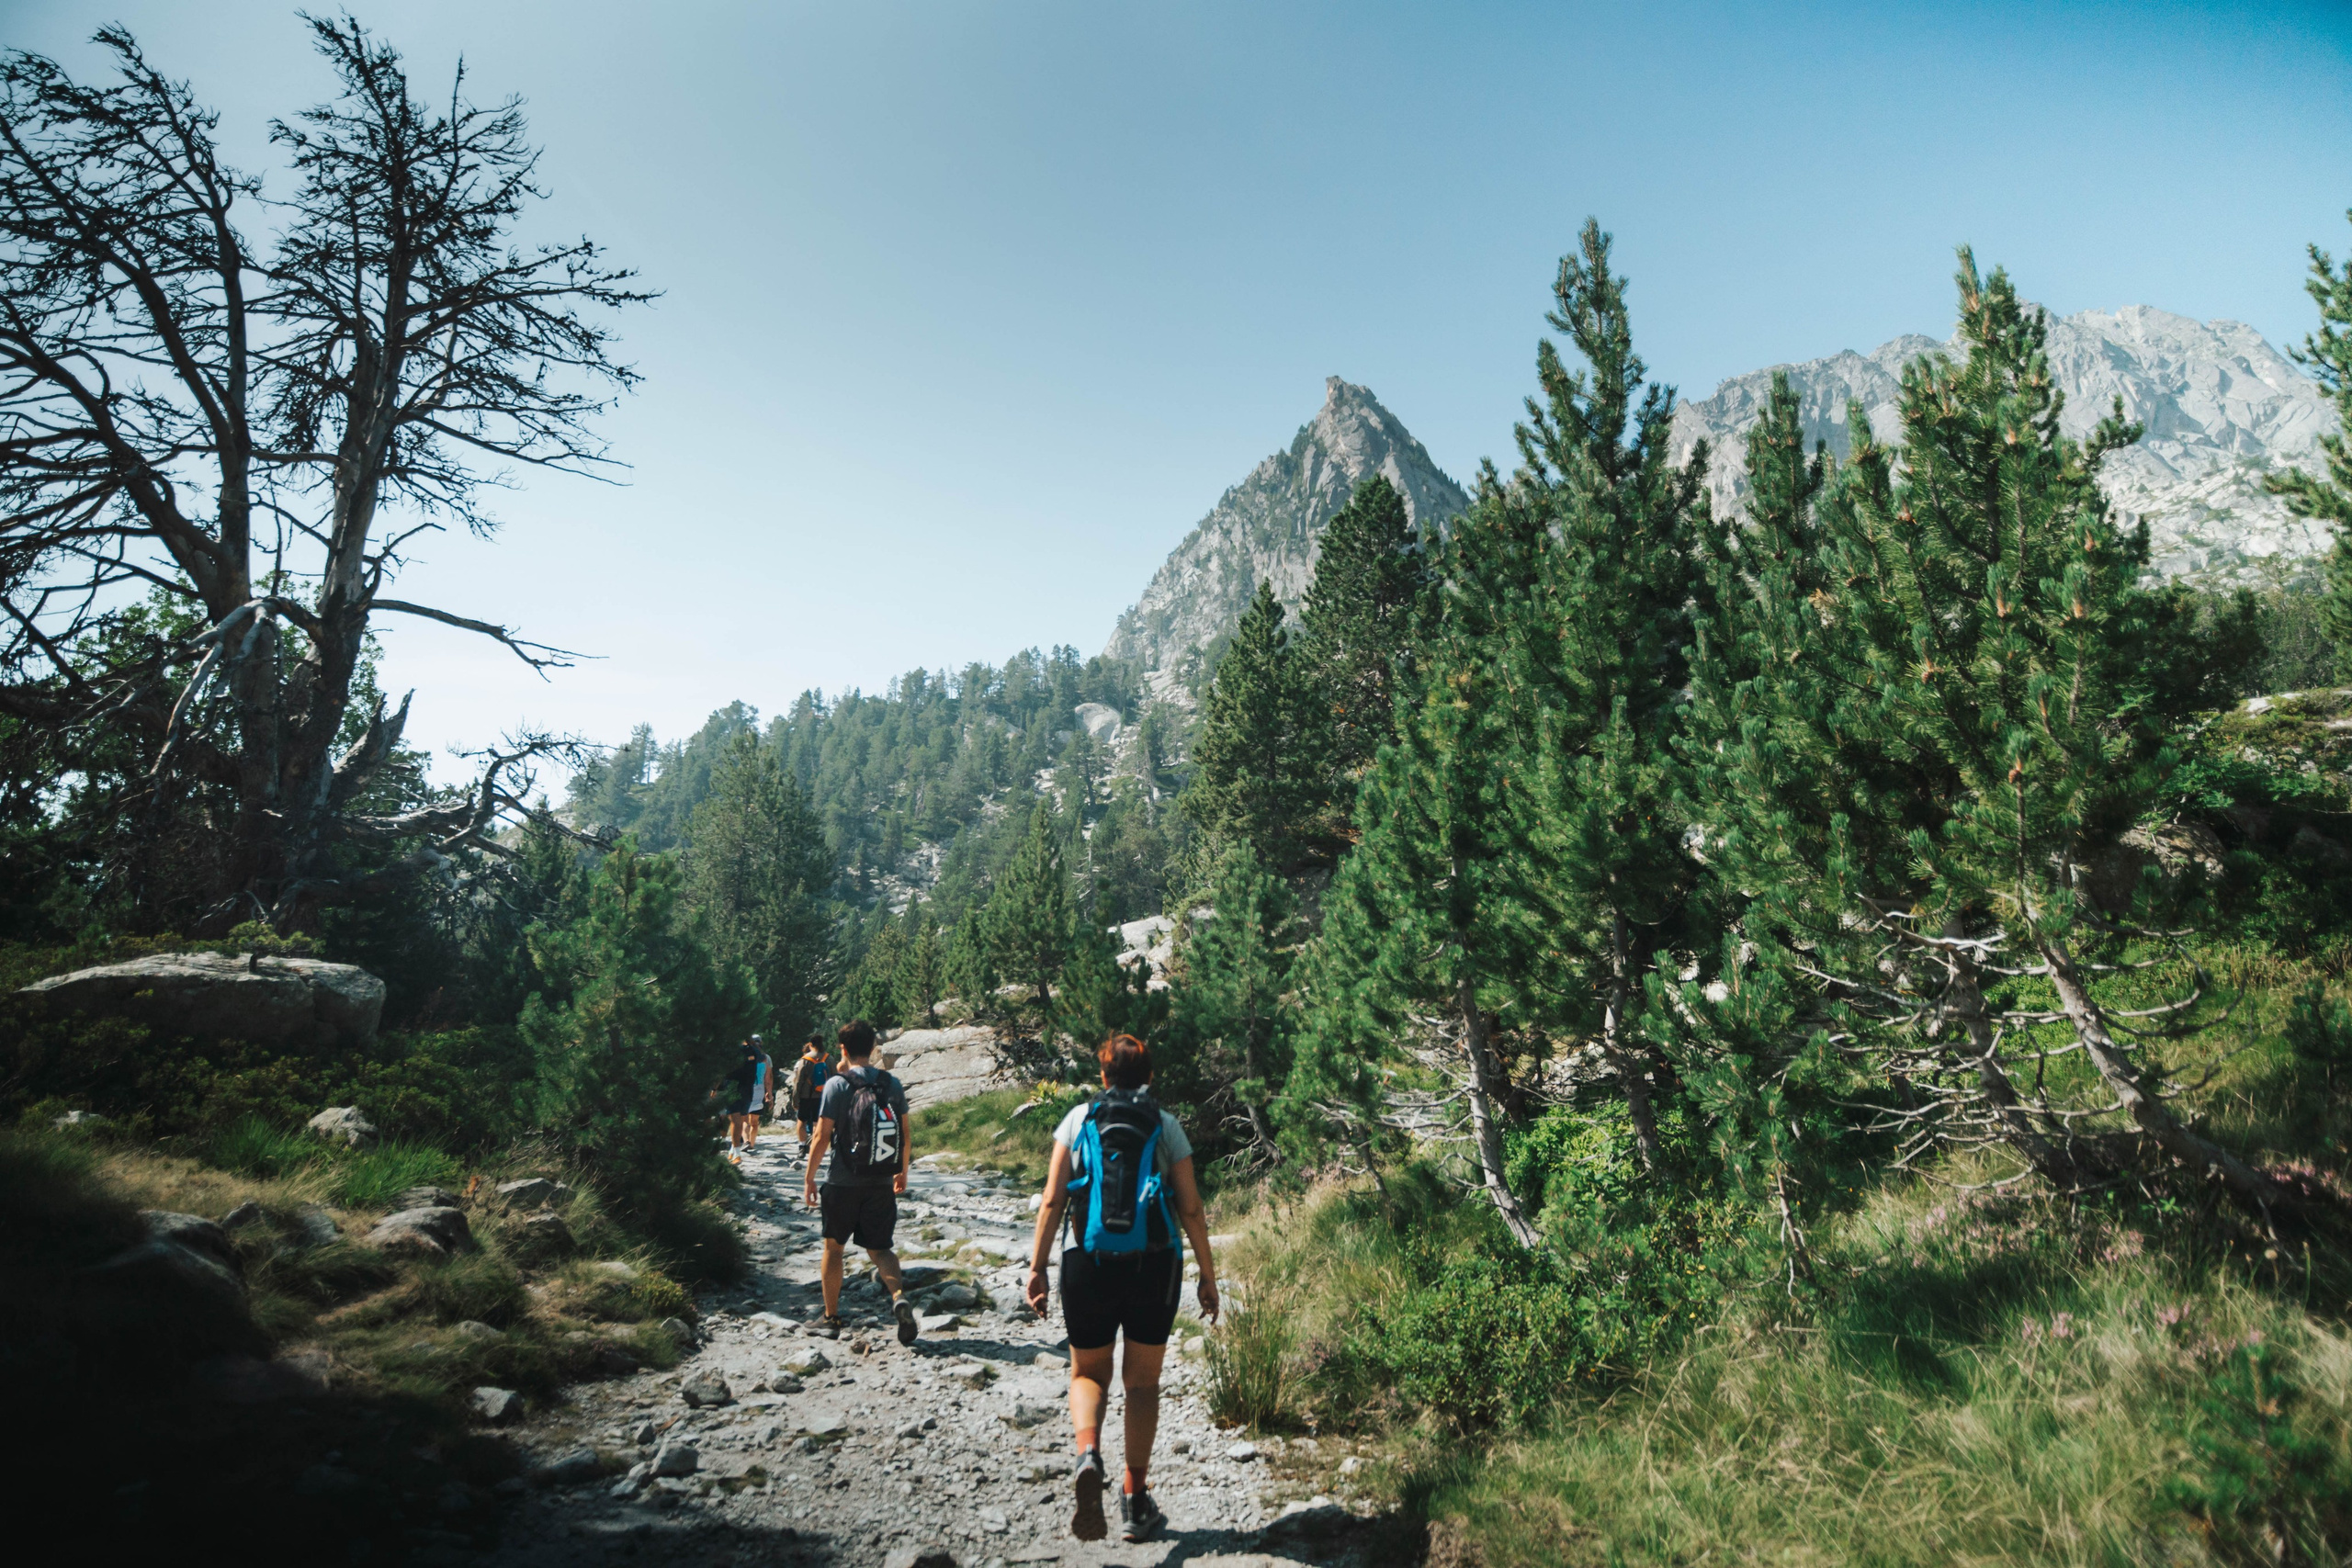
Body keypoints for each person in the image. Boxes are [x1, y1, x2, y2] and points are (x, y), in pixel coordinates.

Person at [1024, 1033, 1219, 1545]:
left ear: (1104, 1076)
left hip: (1086, 1262)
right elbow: (1191, 1207)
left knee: (1088, 1372)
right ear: (1150, 1076)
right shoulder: (1166, 1125)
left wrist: (1037, 1267)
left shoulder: (1077, 1120)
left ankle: (1088, 1453)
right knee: (1142, 1384)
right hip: (1153, 1265)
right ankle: (1134, 1498)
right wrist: (1208, 1275)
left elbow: (1052, 1200)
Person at [802, 1020, 920, 1346]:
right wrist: (902, 1172)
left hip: (842, 1182)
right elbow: (905, 1133)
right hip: (880, 1181)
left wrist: (809, 1177)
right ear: (873, 1048)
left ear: (843, 1049)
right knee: (881, 1248)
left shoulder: (837, 1085)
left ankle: (831, 1318)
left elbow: (821, 1136)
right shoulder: (891, 1083)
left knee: (834, 1248)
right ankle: (898, 1297)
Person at [717, 1043, 765, 1165]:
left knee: (739, 1119)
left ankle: (734, 1151)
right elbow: (721, 1070)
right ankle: (736, 1153)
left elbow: (762, 1057)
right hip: (739, 1088)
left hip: (741, 1088)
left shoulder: (746, 1050)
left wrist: (715, 1087)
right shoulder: (736, 1049)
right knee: (737, 1120)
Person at [789, 1036, 830, 1160]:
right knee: (817, 1122)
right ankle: (813, 1147)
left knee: (802, 1120)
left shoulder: (805, 1060)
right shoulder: (829, 1059)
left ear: (811, 1045)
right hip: (822, 1095)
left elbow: (798, 1081)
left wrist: (795, 1099)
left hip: (805, 1096)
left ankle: (802, 1147)